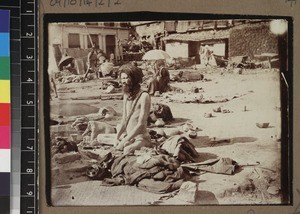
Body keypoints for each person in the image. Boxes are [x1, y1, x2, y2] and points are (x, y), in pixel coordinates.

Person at [114, 63, 152, 155]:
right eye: (122, 78)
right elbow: (124, 119)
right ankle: (125, 142)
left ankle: (128, 143)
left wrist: (124, 141)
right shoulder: (126, 95)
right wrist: (117, 137)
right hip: (129, 136)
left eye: (127, 78)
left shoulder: (144, 96)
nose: (124, 81)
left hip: (141, 138)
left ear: (134, 79)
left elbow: (141, 125)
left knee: (127, 150)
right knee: (99, 137)